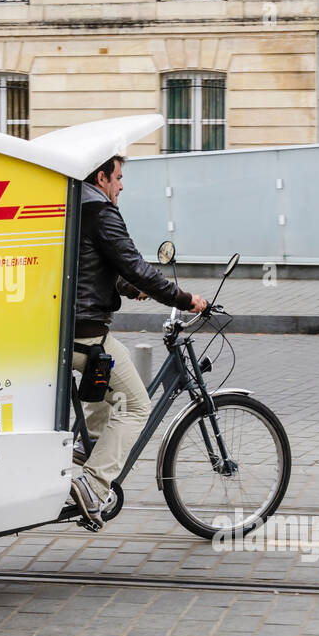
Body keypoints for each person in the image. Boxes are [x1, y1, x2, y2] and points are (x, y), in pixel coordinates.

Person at [69, 154, 207, 524]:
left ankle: (86, 447)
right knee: (136, 405)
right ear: (101, 177)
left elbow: (98, 266)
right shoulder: (100, 211)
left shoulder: (75, 204)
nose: (122, 185)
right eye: (118, 177)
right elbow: (135, 265)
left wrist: (130, 288)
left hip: (71, 331)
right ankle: (93, 484)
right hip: (85, 333)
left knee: (108, 372)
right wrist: (185, 299)